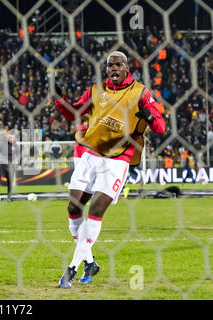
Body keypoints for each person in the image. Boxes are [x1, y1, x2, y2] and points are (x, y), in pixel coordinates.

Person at [54, 51, 166, 288]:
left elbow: (161, 127)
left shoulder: (141, 93)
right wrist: (58, 99)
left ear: (127, 67)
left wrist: (151, 118)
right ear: (106, 69)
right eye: (110, 65)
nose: (113, 68)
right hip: (90, 154)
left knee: (96, 206)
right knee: (73, 207)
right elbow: (74, 113)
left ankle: (71, 269)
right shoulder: (96, 90)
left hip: (118, 159)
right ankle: (90, 262)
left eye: (118, 64)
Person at [0, 131, 19, 202]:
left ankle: (9, 195)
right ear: (7, 137)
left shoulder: (16, 146)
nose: (11, 139)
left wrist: (19, 164)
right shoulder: (2, 144)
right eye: (10, 137)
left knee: (10, 180)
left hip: (11, 166)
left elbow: (19, 156)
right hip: (2, 164)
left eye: (12, 138)